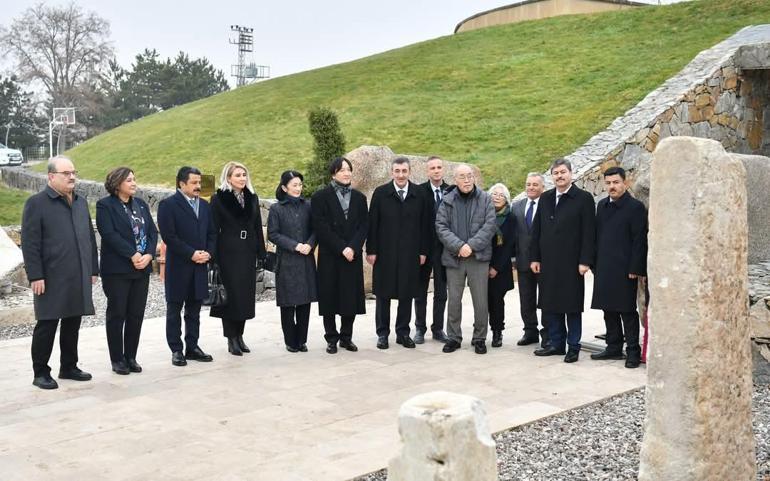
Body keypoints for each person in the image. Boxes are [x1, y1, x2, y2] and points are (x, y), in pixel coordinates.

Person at [21, 156, 99, 389]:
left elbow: (89, 238)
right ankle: (40, 372)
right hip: (50, 277)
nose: (72, 177)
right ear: (51, 176)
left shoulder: (80, 202)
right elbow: (30, 242)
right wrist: (35, 275)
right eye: (66, 173)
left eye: (73, 172)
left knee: (73, 322)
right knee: (47, 324)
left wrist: (93, 269)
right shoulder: (37, 203)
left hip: (78, 274)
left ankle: (69, 366)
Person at [530, 158, 596, 363]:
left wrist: (585, 261)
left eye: (563, 172)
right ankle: (556, 344)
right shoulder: (546, 198)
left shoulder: (583, 198)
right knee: (551, 304)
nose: (559, 176)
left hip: (572, 263)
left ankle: (573, 346)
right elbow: (537, 230)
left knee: (571, 306)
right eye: (556, 173)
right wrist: (535, 257)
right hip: (548, 262)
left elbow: (589, 233)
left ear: (571, 174)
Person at [96, 167, 158, 375]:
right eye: (129, 180)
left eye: (134, 179)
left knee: (136, 314)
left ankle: (131, 356)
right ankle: (117, 359)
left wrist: (149, 255)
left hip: (142, 268)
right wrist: (132, 255)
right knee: (117, 314)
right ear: (117, 183)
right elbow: (109, 234)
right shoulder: (105, 205)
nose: (134, 183)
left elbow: (152, 232)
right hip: (118, 270)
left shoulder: (140, 204)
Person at [367, 157, 429, 350]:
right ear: (391, 172)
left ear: (409, 172)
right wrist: (371, 250)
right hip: (385, 253)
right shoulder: (381, 193)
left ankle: (403, 333)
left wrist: (423, 251)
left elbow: (425, 226)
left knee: (406, 293)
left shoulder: (419, 194)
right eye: (397, 171)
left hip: (410, 253)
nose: (401, 175)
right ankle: (383, 334)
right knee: (383, 294)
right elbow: (372, 224)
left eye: (404, 171)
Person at [157, 166, 217, 366]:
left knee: (194, 310)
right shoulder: (168, 205)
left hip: (200, 266)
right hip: (179, 267)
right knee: (174, 310)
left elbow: (212, 233)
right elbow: (169, 237)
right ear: (181, 184)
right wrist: (191, 254)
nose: (198, 186)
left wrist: (208, 253)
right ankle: (176, 349)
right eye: (194, 182)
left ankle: (192, 346)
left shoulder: (205, 206)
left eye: (200, 182)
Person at [590, 167, 648, 368]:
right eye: (608, 183)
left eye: (616, 182)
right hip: (604, 266)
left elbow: (639, 240)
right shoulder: (602, 206)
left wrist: (636, 267)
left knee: (627, 311)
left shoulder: (635, 207)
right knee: (608, 309)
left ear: (625, 183)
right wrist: (594, 263)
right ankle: (613, 347)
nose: (612, 186)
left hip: (626, 269)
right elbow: (597, 236)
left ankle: (633, 351)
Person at [435, 164, 496, 354]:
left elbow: (490, 225)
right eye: (462, 176)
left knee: (480, 301)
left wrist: (471, 246)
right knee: (454, 300)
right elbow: (441, 227)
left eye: (470, 176)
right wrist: (460, 246)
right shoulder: (447, 201)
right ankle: (453, 337)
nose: (467, 180)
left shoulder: (485, 199)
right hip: (455, 258)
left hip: (478, 258)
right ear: (455, 179)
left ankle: (479, 338)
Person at [311, 157, 368, 354]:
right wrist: (341, 248)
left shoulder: (359, 198)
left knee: (350, 297)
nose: (346, 173)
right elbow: (320, 226)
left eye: (348, 169)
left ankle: (346, 337)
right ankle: (331, 337)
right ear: (333, 173)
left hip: (352, 256)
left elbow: (363, 226)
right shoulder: (320, 197)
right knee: (329, 296)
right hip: (330, 255)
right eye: (341, 170)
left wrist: (352, 247)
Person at [209, 161, 267, 356]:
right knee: (230, 297)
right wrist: (214, 257)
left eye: (244, 174)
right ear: (228, 178)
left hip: (247, 251)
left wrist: (261, 252)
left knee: (244, 296)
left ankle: (240, 335)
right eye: (237, 175)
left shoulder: (252, 198)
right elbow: (213, 230)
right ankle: (231, 338)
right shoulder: (218, 199)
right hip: (228, 253)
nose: (242, 178)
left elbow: (257, 227)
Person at [267, 170, 317, 352]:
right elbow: (273, 234)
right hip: (287, 260)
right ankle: (290, 341)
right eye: (294, 185)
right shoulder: (276, 209)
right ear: (284, 188)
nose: (298, 189)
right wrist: (295, 246)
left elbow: (315, 229)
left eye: (300, 185)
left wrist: (310, 244)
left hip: (306, 260)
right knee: (288, 303)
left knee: (305, 302)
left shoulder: (308, 206)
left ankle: (302, 340)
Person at [413, 156, 449, 344]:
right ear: (427, 171)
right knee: (420, 291)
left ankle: (438, 328)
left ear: (443, 170)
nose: (436, 170)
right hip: (423, 250)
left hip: (445, 250)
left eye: (439, 167)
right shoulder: (419, 191)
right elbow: (414, 223)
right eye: (432, 168)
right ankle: (419, 328)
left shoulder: (451, 191)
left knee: (442, 292)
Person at [511, 173, 549, 347]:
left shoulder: (549, 205)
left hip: (545, 262)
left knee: (546, 299)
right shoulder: (517, 206)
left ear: (542, 187)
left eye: (535, 184)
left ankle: (548, 332)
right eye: (528, 184)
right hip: (523, 261)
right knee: (526, 299)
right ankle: (530, 331)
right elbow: (513, 235)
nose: (531, 187)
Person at [487, 183, 516, 348]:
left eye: (501, 195)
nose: (497, 197)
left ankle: (497, 332)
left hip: (501, 267)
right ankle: (482, 331)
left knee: (497, 300)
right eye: (494, 194)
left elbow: (509, 245)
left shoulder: (510, 218)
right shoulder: (484, 214)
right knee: (484, 301)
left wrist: (496, 267)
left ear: (506, 199)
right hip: (483, 264)